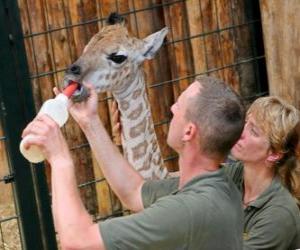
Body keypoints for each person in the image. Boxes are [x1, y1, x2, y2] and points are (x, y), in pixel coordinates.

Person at [21, 76, 245, 250]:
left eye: (179, 105)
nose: (172, 109)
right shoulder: (217, 185)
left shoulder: (189, 209)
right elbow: (134, 192)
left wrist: (60, 161)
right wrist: (90, 121)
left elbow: (77, 242)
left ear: (189, 132)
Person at [225, 96, 300, 249]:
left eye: (253, 131)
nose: (241, 132)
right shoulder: (234, 174)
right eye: (245, 123)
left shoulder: (280, 214)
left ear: (274, 154)